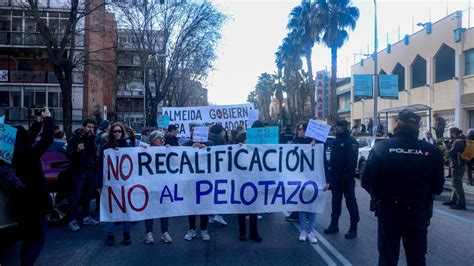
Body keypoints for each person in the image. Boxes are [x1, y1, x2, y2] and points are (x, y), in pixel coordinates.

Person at [361, 110, 445, 266]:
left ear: (398, 124)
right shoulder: (431, 151)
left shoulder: (382, 147)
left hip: (389, 211)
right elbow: (438, 188)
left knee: (387, 258)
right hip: (418, 212)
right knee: (417, 259)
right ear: (418, 126)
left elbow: (366, 180)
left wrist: (378, 197)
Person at [12, 107, 54, 266]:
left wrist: (38, 123)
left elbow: (28, 138)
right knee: (39, 238)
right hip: (34, 204)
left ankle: (24, 262)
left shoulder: (10, 155)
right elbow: (47, 140)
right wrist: (48, 119)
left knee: (27, 239)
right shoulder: (29, 155)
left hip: (19, 204)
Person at [324, 119, 360, 239]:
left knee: (351, 203)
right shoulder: (335, 141)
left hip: (347, 179)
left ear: (344, 127)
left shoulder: (351, 142)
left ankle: (353, 228)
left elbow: (352, 163)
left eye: (337, 127)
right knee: (335, 203)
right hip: (336, 178)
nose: (335, 128)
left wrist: (346, 177)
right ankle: (334, 225)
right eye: (335, 127)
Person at [99, 122, 133, 246]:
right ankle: (110, 235)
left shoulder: (129, 146)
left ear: (122, 133)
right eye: (115, 131)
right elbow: (100, 166)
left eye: (119, 131)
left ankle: (127, 235)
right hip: (111, 183)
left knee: (127, 210)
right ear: (111, 133)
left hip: (126, 184)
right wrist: (99, 184)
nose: (117, 133)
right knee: (111, 210)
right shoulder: (105, 147)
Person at [66, 117, 99, 232]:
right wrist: (77, 150)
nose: (91, 129)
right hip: (78, 171)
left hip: (89, 171)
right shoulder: (76, 138)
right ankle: (72, 221)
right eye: (89, 127)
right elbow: (68, 153)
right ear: (84, 127)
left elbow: (94, 152)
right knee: (76, 197)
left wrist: (92, 139)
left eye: (92, 127)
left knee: (88, 196)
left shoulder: (92, 138)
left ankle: (86, 217)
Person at [183, 123, 212, 241]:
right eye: (193, 130)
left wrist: (206, 148)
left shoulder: (209, 144)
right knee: (192, 207)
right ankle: (191, 230)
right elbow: (177, 155)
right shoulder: (186, 144)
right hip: (190, 181)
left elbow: (220, 153)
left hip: (205, 181)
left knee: (204, 207)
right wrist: (190, 148)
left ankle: (204, 230)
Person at [233, 130, 263, 242]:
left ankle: (254, 233)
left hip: (253, 183)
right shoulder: (237, 151)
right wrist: (238, 149)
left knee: (254, 210)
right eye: (246, 140)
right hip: (241, 183)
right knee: (241, 210)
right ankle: (242, 233)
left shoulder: (256, 151)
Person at [144, 130, 173, 244]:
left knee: (164, 209)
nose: (162, 140)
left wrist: (170, 150)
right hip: (150, 185)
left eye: (163, 138)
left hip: (163, 185)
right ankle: (149, 233)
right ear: (152, 140)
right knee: (149, 209)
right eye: (159, 138)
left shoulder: (167, 150)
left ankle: (165, 232)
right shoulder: (145, 151)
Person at [207, 124, 228, 226]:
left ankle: (211, 215)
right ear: (220, 132)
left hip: (207, 171)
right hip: (219, 170)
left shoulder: (206, 139)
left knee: (210, 193)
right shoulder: (221, 141)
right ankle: (218, 215)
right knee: (220, 193)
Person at [442, 127, 467, 210]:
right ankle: (453, 200)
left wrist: (445, 146)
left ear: (453, 132)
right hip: (460, 165)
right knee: (455, 184)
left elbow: (451, 153)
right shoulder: (461, 140)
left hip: (457, 165)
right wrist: (449, 144)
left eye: (450, 132)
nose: (449, 134)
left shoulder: (458, 141)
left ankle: (461, 204)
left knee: (457, 185)